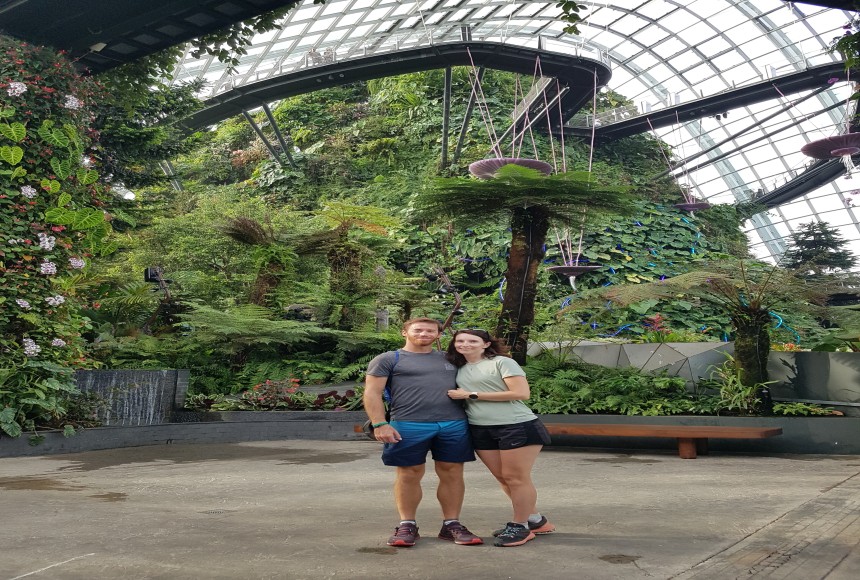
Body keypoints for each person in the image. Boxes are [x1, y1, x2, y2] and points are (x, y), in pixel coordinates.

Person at [364, 318, 483, 547]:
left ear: (439, 335)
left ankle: (451, 524)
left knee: (452, 473)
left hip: (453, 424)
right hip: (408, 423)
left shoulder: (451, 358)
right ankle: (407, 524)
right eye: (418, 330)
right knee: (409, 473)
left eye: (430, 330)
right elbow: (372, 392)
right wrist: (380, 424)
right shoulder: (389, 359)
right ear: (404, 332)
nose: (424, 334)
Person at [446, 329, 554, 547]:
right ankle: (535, 521)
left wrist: (471, 394)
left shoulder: (502, 362)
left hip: (516, 425)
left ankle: (520, 526)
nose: (465, 344)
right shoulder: (460, 367)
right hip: (480, 428)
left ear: (486, 344)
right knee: (503, 478)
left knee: (516, 478)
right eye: (460, 340)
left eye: (472, 340)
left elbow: (521, 393)